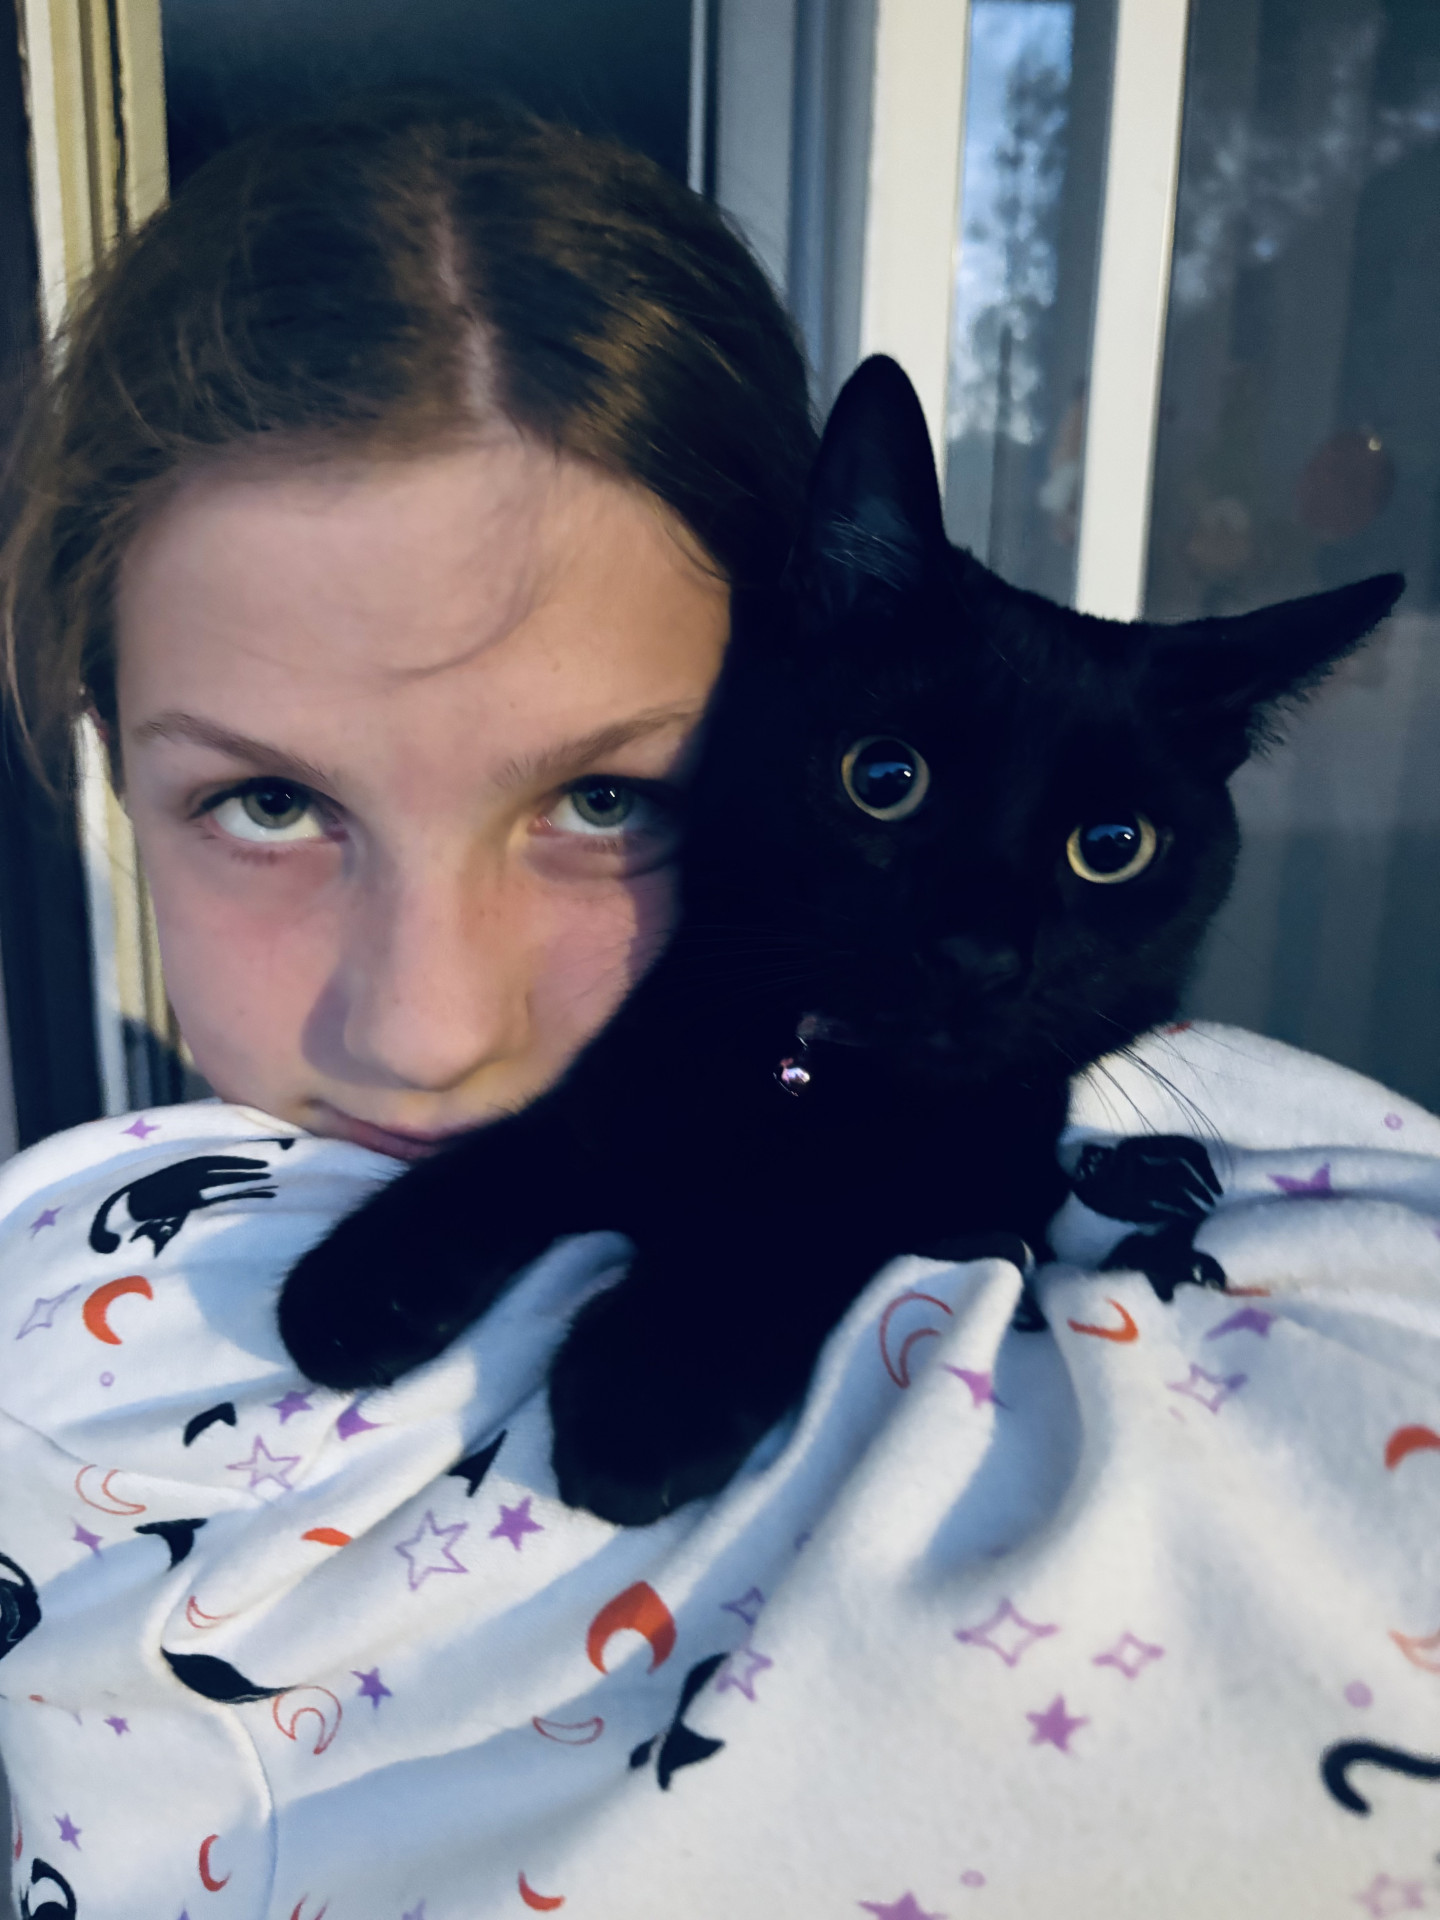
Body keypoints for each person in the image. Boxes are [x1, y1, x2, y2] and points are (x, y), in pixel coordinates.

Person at [2, 100, 1439, 1920]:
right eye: (268, 802)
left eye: (607, 798)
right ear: (105, 757)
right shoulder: (82, 1351)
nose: (427, 1030)